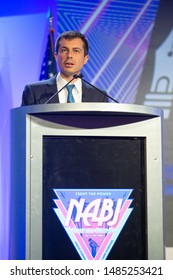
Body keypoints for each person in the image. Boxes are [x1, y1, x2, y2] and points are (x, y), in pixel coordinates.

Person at [21, 30, 108, 106]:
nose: (69, 55)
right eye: (64, 50)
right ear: (56, 56)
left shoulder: (100, 96)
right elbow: (24, 123)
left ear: (85, 59)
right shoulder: (34, 92)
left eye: (76, 51)